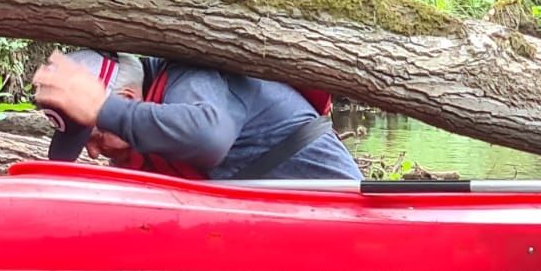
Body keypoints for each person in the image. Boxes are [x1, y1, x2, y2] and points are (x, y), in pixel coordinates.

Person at [30, 48, 362, 179]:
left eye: (96, 134)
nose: (93, 151)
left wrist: (105, 109)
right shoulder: (153, 112)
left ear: (128, 97)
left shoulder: (192, 77)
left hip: (337, 205)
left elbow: (209, 137)